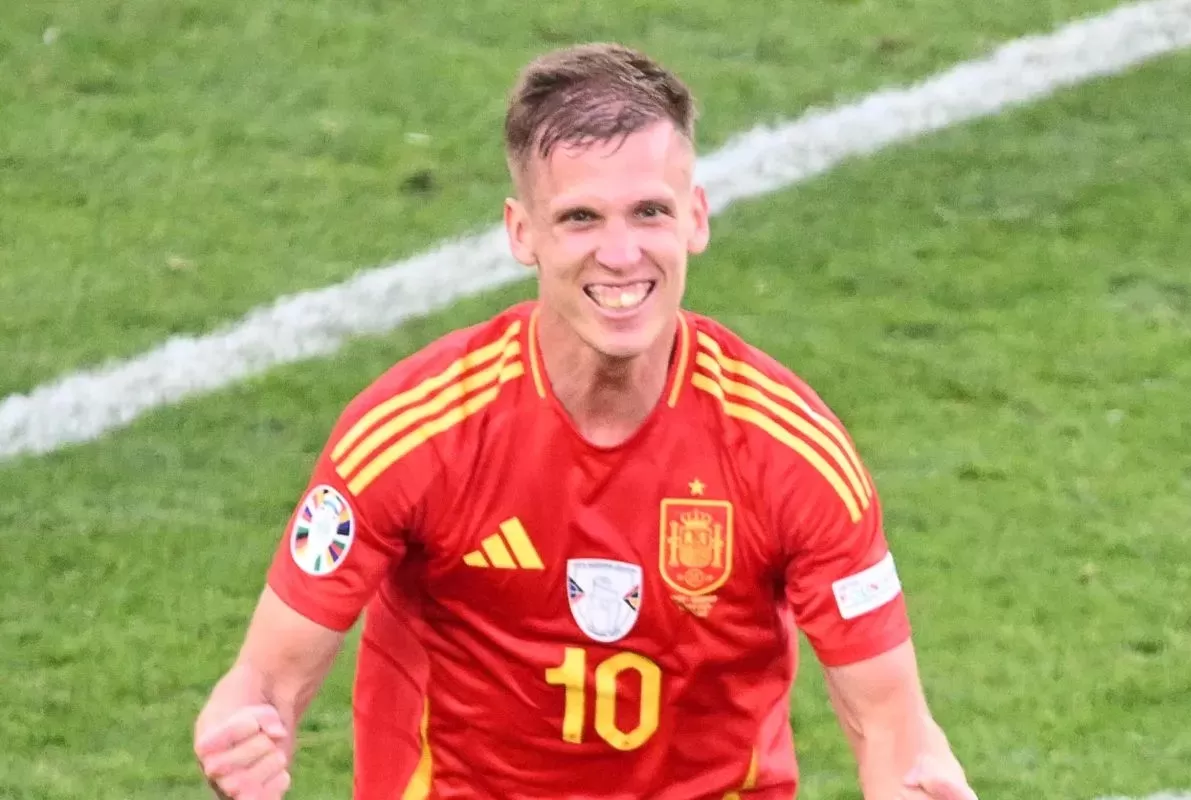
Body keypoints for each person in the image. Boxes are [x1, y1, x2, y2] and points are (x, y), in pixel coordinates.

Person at [193, 42, 978, 800]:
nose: (620, 252)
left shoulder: (790, 455)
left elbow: (891, 725)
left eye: (648, 211)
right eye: (579, 218)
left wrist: (914, 784)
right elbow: (266, 681)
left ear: (695, 219)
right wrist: (244, 731)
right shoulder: (414, 434)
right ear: (521, 233)